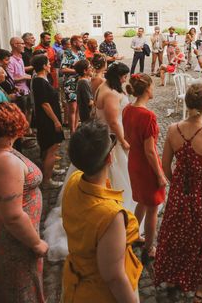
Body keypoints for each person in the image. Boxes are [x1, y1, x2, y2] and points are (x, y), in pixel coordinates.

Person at [154, 84, 202, 302]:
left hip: (179, 194)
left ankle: (173, 275)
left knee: (175, 235)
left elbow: (165, 165)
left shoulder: (172, 129)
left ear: (187, 102)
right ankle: (199, 291)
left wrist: (176, 183)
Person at [0, 103, 47, 303]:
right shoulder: (5, 162)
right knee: (21, 294)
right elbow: (12, 216)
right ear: (10, 127)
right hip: (13, 242)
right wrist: (36, 243)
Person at [61, 122, 142, 302]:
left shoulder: (74, 180)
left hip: (75, 280)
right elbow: (113, 277)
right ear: (109, 158)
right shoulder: (111, 216)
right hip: (99, 293)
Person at [122, 74, 166, 264]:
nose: (153, 89)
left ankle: (131, 235)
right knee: (152, 209)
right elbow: (150, 151)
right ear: (147, 89)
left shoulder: (127, 109)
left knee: (141, 202)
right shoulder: (148, 116)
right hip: (147, 166)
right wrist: (160, 174)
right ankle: (149, 248)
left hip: (133, 161)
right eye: (153, 86)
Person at [95, 62, 135, 212]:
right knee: (116, 170)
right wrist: (123, 140)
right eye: (124, 77)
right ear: (117, 77)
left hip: (104, 133)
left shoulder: (103, 86)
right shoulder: (111, 94)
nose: (125, 80)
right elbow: (112, 121)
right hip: (112, 137)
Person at [31, 54, 65, 187]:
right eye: (48, 63)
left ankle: (50, 170)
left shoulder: (43, 79)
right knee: (52, 148)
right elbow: (45, 104)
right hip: (47, 120)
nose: (50, 65)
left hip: (48, 118)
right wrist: (56, 121)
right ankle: (47, 180)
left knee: (49, 148)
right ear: (44, 66)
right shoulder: (39, 81)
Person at [61, 35, 86, 134]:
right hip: (70, 83)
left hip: (80, 83)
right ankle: (72, 132)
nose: (82, 43)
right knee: (73, 108)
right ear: (74, 42)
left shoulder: (81, 53)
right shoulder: (67, 53)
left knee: (79, 107)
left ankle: (76, 129)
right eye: (80, 41)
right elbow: (63, 69)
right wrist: (77, 70)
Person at [74, 59, 94, 124]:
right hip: (88, 116)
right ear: (85, 71)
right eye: (90, 67)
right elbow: (90, 102)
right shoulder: (83, 82)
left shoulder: (85, 80)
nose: (92, 68)